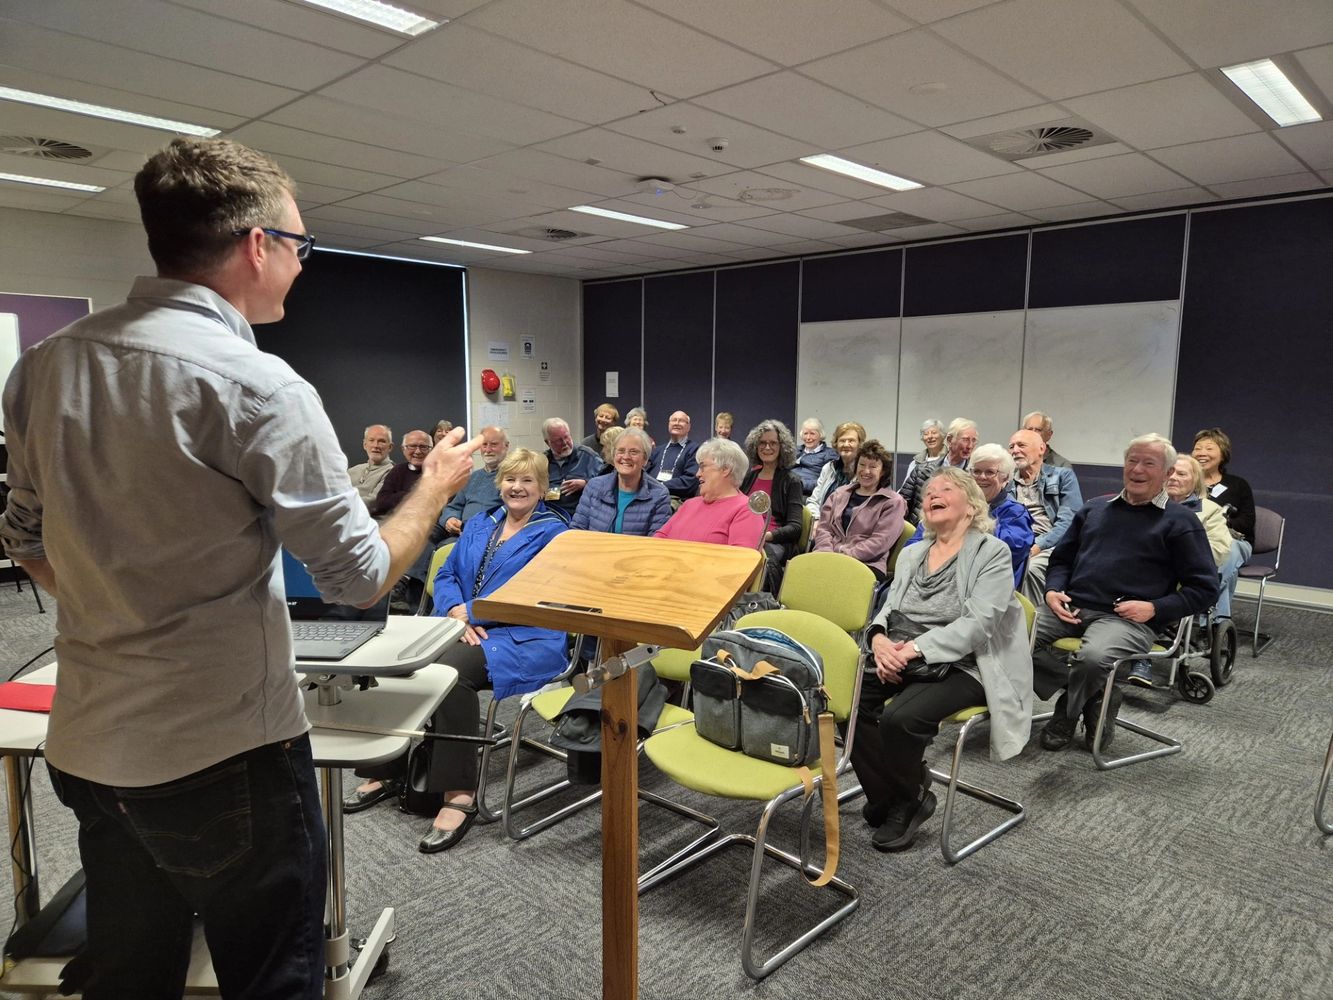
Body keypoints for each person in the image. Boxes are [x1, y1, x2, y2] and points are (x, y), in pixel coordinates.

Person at [0, 136, 481, 999]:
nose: (301, 266)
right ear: (258, 244)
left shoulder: (44, 366)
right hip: (222, 756)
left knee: (131, 968)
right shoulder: (258, 385)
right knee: (271, 978)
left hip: (88, 743)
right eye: (301, 246)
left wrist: (115, 610)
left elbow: (24, 541)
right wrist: (434, 489)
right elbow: (358, 576)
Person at [345, 449, 568, 853]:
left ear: (542, 487)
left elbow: (540, 598)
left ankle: (459, 793)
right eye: (510, 480)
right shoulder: (482, 522)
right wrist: (455, 611)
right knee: (392, 659)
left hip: (525, 636)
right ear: (499, 484)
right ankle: (387, 769)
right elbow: (445, 572)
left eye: (527, 481)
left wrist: (476, 612)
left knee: (449, 675)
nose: (516, 487)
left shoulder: (556, 535)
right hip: (463, 626)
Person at [850, 467, 1032, 852]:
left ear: (971, 507)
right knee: (844, 703)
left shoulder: (991, 552)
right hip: (903, 654)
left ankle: (907, 800)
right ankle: (890, 793)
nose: (932, 494)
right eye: (929, 490)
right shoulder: (914, 552)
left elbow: (979, 625)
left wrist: (914, 649)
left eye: (945, 488)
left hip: (968, 662)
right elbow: (889, 606)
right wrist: (879, 639)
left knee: (900, 718)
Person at [1034, 434, 1218, 752]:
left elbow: (1205, 590)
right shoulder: (1094, 510)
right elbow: (1061, 560)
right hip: (1070, 607)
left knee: (1092, 659)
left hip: (1126, 619)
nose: (1137, 469)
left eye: (1149, 463)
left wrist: (1155, 608)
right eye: (1132, 461)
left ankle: (1067, 710)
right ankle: (1097, 694)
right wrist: (1052, 590)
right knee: (1004, 635)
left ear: (1168, 473)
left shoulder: (1181, 522)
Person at [1120, 453, 1235, 686]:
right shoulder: (1144, 504)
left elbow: (1219, 550)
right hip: (1137, 569)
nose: (1174, 478)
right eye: (1171, 472)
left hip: (1181, 578)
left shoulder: (1210, 511)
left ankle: (1142, 659)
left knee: (1152, 587)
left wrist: (1171, 555)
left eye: (1182, 474)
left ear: (1195, 481)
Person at [905, 443, 1034, 588]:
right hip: (932, 577)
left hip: (983, 586)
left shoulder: (1015, 513)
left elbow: (1006, 554)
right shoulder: (949, 504)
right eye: (976, 471)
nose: (982, 477)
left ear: (1005, 479)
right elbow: (912, 546)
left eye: (990, 472)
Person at [1007, 429, 1082, 608]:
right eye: (1011, 447)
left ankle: (1031, 624)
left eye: (1021, 445)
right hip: (1014, 541)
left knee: (1030, 569)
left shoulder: (1063, 476)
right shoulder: (1006, 480)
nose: (1015, 450)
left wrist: (1038, 545)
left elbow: (1068, 522)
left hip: (1050, 543)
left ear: (1041, 449)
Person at [812, 439, 906, 580]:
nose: (866, 471)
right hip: (829, 555)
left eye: (873, 467)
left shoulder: (893, 502)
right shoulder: (839, 493)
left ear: (883, 472)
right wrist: (826, 552)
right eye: (862, 464)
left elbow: (879, 542)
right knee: (801, 572)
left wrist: (844, 556)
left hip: (867, 563)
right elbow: (824, 528)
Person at [1191, 427, 1255, 621]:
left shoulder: (1238, 484)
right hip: (1194, 542)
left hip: (1234, 540)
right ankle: (1217, 625)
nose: (1202, 453)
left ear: (1223, 454)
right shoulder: (1185, 481)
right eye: (1198, 448)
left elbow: (1247, 522)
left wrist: (1217, 520)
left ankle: (1200, 607)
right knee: (1230, 573)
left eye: (1209, 448)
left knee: (1227, 551)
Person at [655, 438, 764, 548]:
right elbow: (658, 540)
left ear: (725, 469)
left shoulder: (746, 509)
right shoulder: (689, 504)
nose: (697, 474)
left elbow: (742, 560)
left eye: (703, 467)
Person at [739, 419, 805, 591]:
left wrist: (765, 536)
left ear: (782, 447)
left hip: (773, 541)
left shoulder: (792, 481)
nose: (767, 448)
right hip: (745, 535)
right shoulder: (749, 477)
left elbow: (795, 527)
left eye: (773, 443)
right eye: (762, 443)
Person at [572, 427, 671, 535]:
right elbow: (577, 530)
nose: (626, 457)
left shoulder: (659, 495)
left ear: (645, 459)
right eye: (621, 451)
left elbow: (655, 542)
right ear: (614, 455)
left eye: (634, 452)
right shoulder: (594, 486)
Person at [898, 417, 978, 522]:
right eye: (965, 440)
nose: (970, 446)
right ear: (949, 440)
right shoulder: (921, 470)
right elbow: (901, 504)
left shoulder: (974, 477)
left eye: (974, 441)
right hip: (919, 531)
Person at [440, 425, 508, 536]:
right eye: (484, 445)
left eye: (494, 444)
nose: (488, 450)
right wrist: (450, 518)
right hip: (461, 534)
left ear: (506, 446)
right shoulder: (472, 477)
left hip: (491, 536)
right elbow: (454, 506)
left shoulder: (512, 478)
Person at [541, 416, 601, 518]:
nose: (565, 443)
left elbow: (607, 484)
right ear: (547, 442)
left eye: (566, 437)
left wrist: (586, 484)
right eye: (558, 440)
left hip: (580, 516)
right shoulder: (542, 461)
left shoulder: (587, 456)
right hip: (549, 516)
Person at [806, 420, 866, 522]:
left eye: (851, 441)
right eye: (842, 441)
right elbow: (813, 501)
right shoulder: (829, 468)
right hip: (822, 526)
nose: (846, 444)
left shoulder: (865, 473)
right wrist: (816, 520)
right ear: (836, 444)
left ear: (859, 444)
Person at [372, 428, 433, 517]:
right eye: (412, 446)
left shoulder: (438, 472)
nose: (418, 451)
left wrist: (398, 496)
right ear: (403, 449)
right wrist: (410, 494)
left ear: (431, 450)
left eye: (423, 447)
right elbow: (381, 502)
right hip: (392, 520)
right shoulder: (397, 470)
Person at [647, 410, 700, 501]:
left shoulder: (694, 449)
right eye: (674, 420)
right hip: (650, 496)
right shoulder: (657, 451)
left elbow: (690, 481)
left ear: (688, 427)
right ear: (669, 424)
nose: (677, 423)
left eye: (681, 421)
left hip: (675, 500)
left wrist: (660, 486)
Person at [348, 423, 394, 505]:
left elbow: (374, 502)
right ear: (365, 445)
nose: (376, 445)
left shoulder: (393, 473)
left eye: (381, 441)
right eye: (371, 440)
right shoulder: (352, 470)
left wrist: (340, 504)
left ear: (390, 447)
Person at [793, 417, 838, 495]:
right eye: (805, 433)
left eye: (812, 433)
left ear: (820, 435)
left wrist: (798, 485)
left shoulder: (829, 454)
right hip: (787, 489)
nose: (808, 437)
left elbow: (827, 482)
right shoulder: (794, 450)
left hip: (807, 493)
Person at [897, 418, 945, 490]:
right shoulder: (915, 463)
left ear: (942, 435)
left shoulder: (950, 459)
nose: (930, 437)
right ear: (922, 438)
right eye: (926, 434)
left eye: (934, 433)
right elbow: (905, 489)